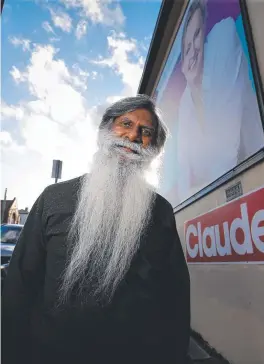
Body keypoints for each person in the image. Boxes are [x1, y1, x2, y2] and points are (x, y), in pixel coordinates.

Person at [2, 95, 190, 364]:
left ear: (153, 147)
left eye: (145, 132)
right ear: (106, 130)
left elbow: (174, 298)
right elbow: (20, 283)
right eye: (125, 123)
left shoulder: (160, 211)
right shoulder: (54, 198)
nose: (133, 136)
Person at [176, 0, 264, 203]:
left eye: (197, 35)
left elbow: (224, 159)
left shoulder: (222, 37)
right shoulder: (184, 104)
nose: (193, 52)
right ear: (181, 65)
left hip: (257, 176)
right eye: (186, 47)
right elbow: (183, 179)